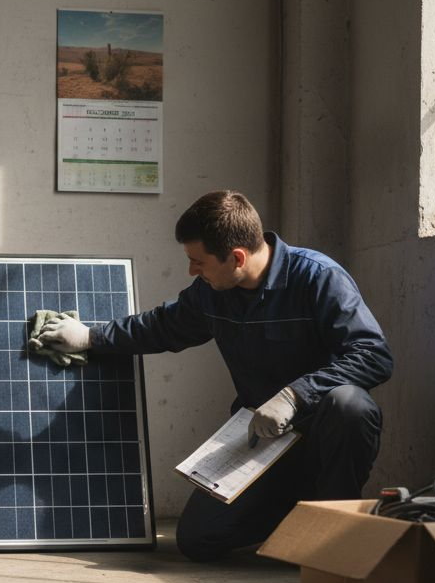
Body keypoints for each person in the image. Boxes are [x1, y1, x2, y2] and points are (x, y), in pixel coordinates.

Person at [36, 190, 393, 561]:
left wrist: (294, 396)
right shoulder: (212, 292)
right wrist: (90, 336)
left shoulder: (318, 277)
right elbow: (161, 327)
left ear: (237, 257)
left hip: (324, 438)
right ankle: (299, 518)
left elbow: (373, 355)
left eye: (198, 262)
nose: (192, 271)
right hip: (262, 440)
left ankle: (332, 527)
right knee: (196, 539)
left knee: (351, 405)